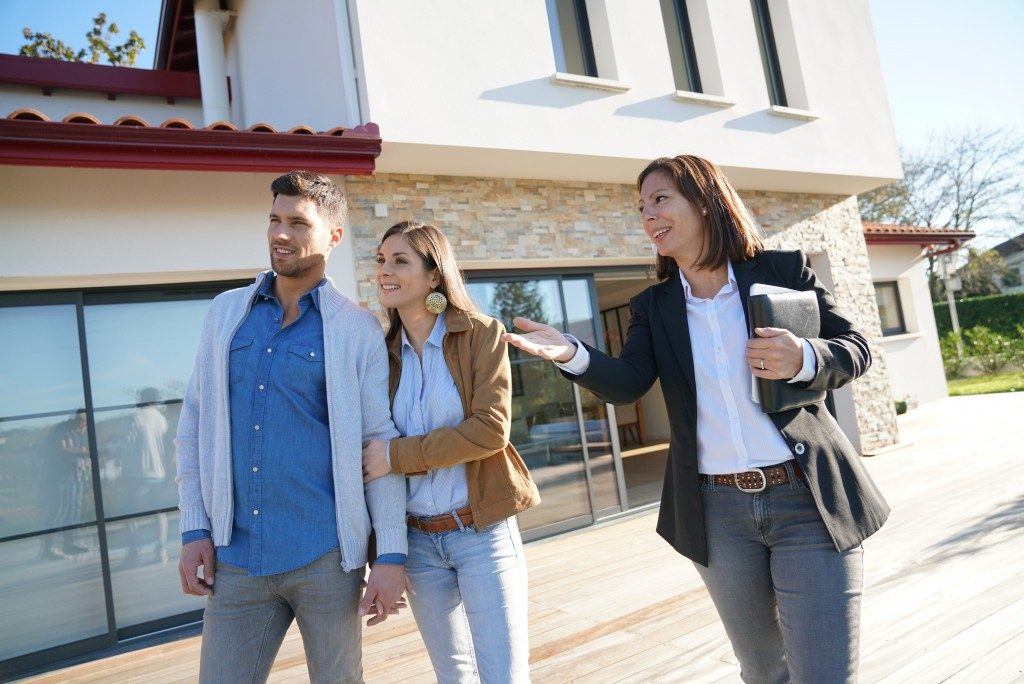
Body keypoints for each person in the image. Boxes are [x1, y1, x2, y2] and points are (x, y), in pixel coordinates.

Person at [504, 155, 889, 683]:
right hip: (717, 512)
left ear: (706, 201)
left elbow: (856, 347)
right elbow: (629, 381)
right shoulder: (655, 306)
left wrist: (803, 358)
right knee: (763, 670)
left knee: (824, 673)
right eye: (641, 207)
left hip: (808, 501)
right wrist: (573, 353)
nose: (648, 215)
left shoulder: (781, 271)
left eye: (660, 199)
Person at [175, 170, 408, 683]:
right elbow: (194, 421)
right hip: (235, 560)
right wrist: (195, 528)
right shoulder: (224, 314)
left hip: (326, 558)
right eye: (275, 220)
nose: (281, 234)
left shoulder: (357, 330)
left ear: (334, 236)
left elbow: (379, 443)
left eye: (298, 223)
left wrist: (390, 554)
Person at [362, 220, 540, 683]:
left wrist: (396, 455)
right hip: (418, 542)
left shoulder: (480, 334)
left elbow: (490, 430)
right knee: (453, 676)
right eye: (381, 260)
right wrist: (385, 554)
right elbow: (369, 448)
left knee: (503, 675)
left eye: (400, 260)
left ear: (434, 275)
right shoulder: (380, 354)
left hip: (482, 532)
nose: (385, 270)